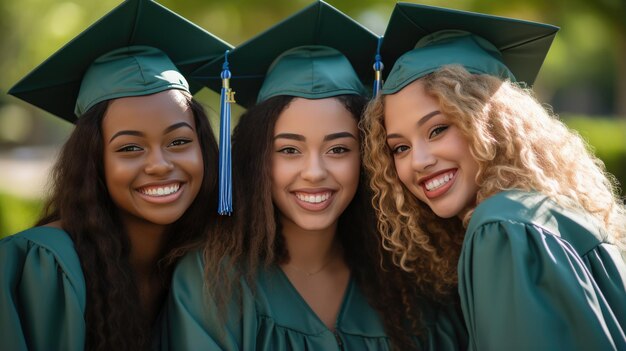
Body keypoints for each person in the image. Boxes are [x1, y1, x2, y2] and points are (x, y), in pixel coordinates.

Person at [161, 2, 467, 350]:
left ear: (369, 155)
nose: (314, 172)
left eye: (338, 149)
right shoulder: (213, 280)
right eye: (289, 150)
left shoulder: (411, 278)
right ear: (255, 158)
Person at [361, 3, 626, 351]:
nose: (419, 161)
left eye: (438, 129)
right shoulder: (546, 213)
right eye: (399, 148)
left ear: (490, 122)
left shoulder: (501, 228)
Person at [0, 0, 232, 350]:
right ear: (93, 162)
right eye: (130, 148)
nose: (159, 164)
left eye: (179, 141)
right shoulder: (43, 266)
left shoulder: (211, 264)